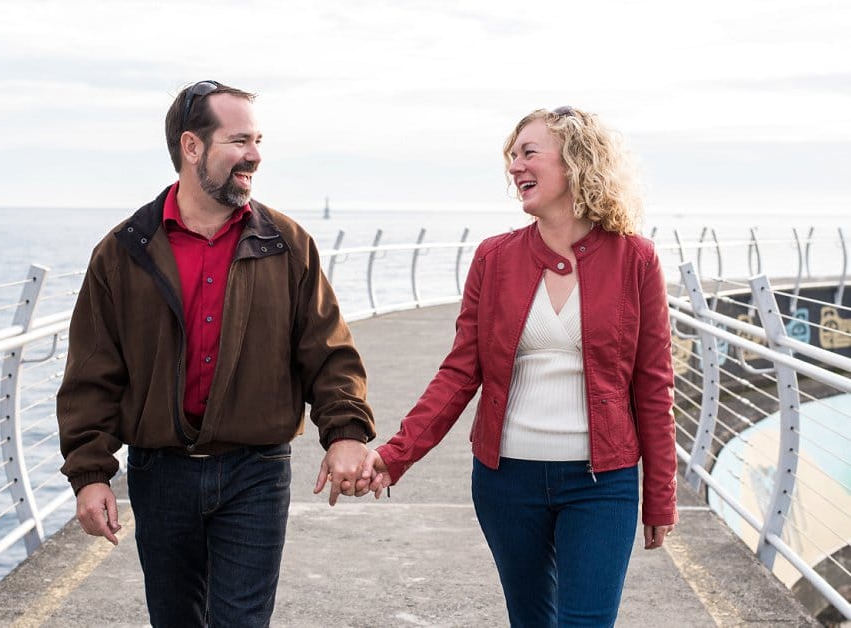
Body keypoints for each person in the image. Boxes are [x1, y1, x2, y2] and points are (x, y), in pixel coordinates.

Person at [57, 80, 375, 627]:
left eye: (257, 140)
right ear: (192, 146)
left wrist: (345, 433)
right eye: (239, 140)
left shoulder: (287, 243)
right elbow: (93, 373)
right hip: (160, 476)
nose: (255, 155)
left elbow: (327, 351)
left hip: (257, 470)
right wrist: (90, 475)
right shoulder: (122, 251)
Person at [362, 106, 678, 627]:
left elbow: (653, 387)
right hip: (506, 481)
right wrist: (397, 455)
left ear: (577, 161)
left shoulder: (635, 258)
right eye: (512, 156)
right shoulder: (494, 257)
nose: (514, 167)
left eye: (529, 152)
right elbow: (460, 373)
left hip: (602, 484)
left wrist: (660, 497)